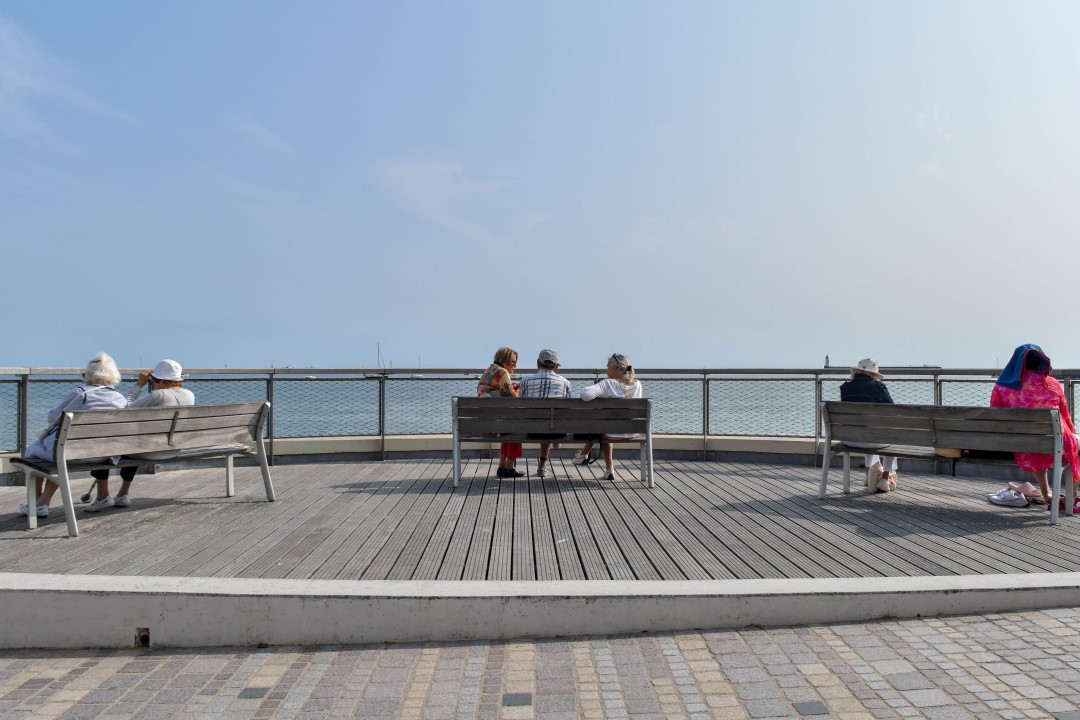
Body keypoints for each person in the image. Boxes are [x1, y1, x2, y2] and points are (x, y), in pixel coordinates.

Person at [19, 352, 128, 518]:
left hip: (73, 454)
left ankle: (38, 503)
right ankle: (41, 502)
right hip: (106, 455)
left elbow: (53, 417)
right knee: (59, 452)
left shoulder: (81, 393)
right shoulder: (120, 399)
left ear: (90, 374)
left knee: (31, 452)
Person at [84, 358, 196, 512]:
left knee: (103, 445)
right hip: (174, 449)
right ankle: (123, 493)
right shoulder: (190, 395)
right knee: (136, 444)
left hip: (151, 452)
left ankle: (103, 497)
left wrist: (139, 384)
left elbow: (125, 409)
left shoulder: (157, 396)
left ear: (158, 379)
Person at [990, 344, 1080, 509]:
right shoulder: (1052, 383)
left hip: (1024, 442)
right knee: (1076, 445)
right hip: (1055, 439)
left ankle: (1047, 494)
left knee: (1037, 448)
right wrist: (1073, 434)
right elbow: (1065, 416)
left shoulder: (1002, 387)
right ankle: (1070, 498)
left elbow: (995, 416)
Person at [573, 353, 642, 480]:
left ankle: (593, 460)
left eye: (607, 366)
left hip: (613, 432)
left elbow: (585, 395)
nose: (606, 369)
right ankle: (585, 456)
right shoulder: (638, 384)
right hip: (632, 431)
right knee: (607, 425)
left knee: (604, 427)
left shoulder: (608, 384)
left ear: (615, 368)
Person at [839, 358, 898, 493]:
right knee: (891, 436)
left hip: (849, 439)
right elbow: (893, 410)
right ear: (874, 374)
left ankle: (868, 475)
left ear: (857, 371)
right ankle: (884, 478)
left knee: (864, 429)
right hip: (873, 440)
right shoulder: (879, 387)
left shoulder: (845, 388)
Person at [518, 349, 573, 478]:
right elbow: (568, 409)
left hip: (532, 431)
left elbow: (522, 404)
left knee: (541, 422)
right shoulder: (565, 383)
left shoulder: (525, 381)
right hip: (557, 432)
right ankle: (542, 467)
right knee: (551, 423)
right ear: (555, 367)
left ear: (538, 363)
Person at [477, 347, 523, 478]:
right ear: (505, 361)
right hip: (495, 425)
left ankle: (502, 467)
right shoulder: (503, 373)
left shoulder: (489, 370)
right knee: (518, 428)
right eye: (513, 362)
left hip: (486, 423)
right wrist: (518, 390)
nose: (515, 365)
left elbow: (497, 390)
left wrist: (511, 386)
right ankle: (508, 467)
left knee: (508, 426)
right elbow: (514, 398)